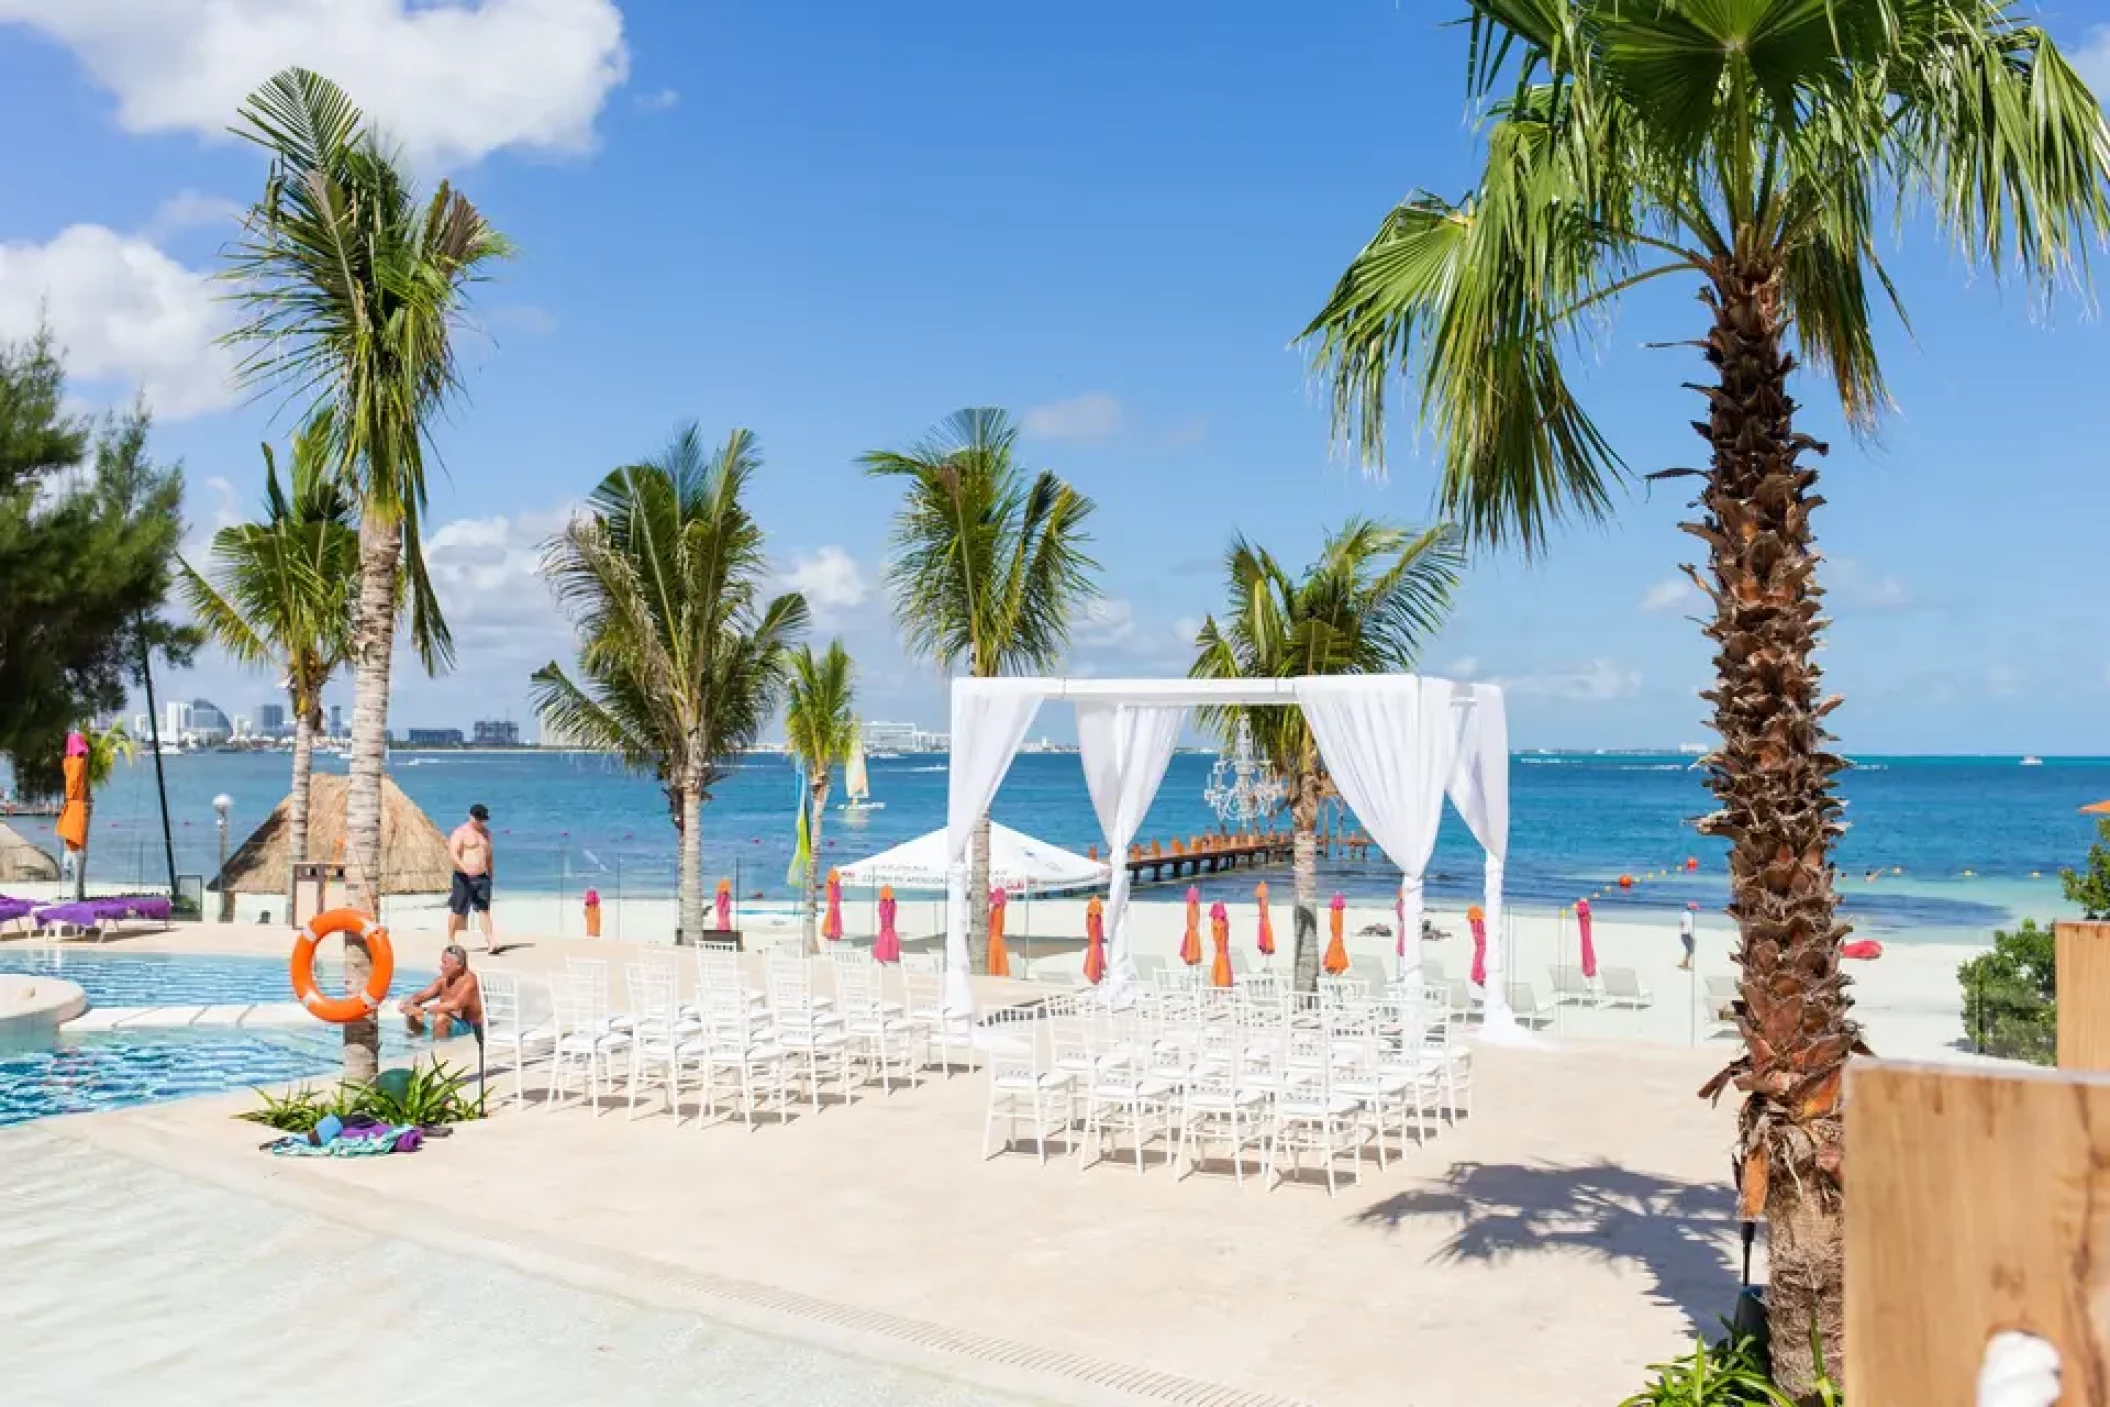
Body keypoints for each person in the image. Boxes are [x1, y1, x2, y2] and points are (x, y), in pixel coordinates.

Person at [399, 943, 483, 1039]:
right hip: (449, 1022)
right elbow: (422, 996)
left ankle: (439, 1051)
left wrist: (423, 1010)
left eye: (445, 963)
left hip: (470, 1027)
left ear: (459, 964)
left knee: (441, 1019)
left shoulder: (470, 981)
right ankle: (416, 1044)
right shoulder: (443, 980)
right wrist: (409, 1003)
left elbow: (455, 1004)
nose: (441, 966)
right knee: (412, 1011)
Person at [447, 803, 496, 955]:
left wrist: (490, 873)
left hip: (482, 877)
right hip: (463, 877)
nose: (481, 823)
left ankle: (491, 941)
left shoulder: (486, 834)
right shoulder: (461, 832)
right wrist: (463, 866)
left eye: (483, 820)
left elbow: (488, 855)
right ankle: (450, 939)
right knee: (458, 910)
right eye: (479, 819)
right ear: (471, 817)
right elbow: (453, 852)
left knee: (484, 909)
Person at [1678, 903, 1697, 970]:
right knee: (1691, 950)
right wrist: (1693, 936)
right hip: (1687, 934)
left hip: (1683, 934)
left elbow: (1680, 923)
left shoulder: (1683, 914)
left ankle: (1685, 963)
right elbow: (1690, 926)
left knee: (1689, 950)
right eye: (1695, 908)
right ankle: (1684, 964)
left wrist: (1682, 930)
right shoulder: (1690, 915)